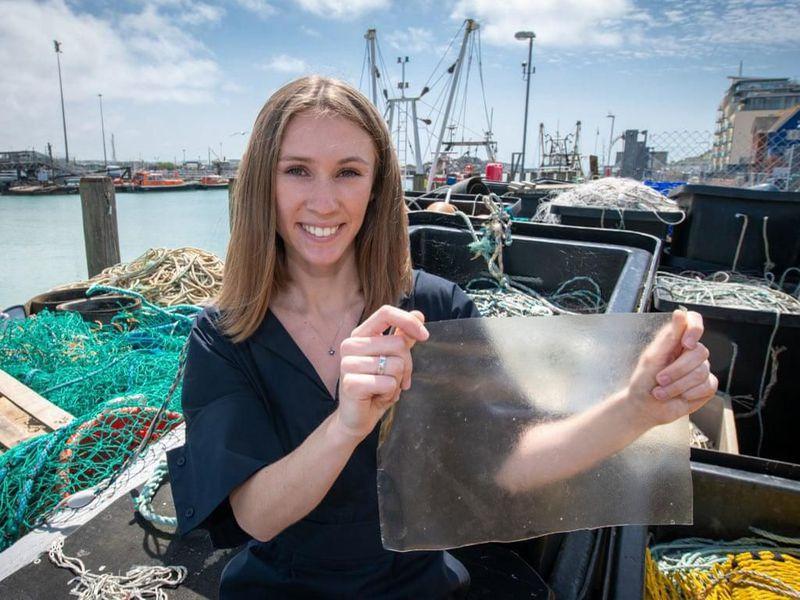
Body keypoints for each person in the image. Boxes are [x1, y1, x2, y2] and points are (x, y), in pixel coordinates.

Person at [168, 75, 717, 598]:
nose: (324, 201)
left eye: (348, 172)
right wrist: (345, 427)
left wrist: (637, 408)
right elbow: (255, 515)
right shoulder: (224, 335)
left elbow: (510, 461)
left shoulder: (433, 309)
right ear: (262, 183)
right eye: (297, 171)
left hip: (416, 585)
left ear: (378, 187)